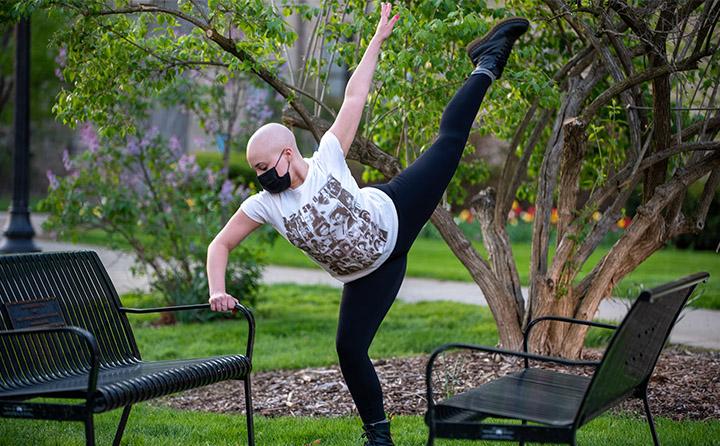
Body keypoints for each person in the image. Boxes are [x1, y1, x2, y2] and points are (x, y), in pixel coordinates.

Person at [206, 3, 529, 444]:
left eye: (263, 165)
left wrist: (376, 41)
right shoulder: (265, 205)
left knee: (450, 142)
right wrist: (217, 289)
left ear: (286, 155)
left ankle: (487, 61)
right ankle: (378, 435)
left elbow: (354, 97)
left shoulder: (327, 157)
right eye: (255, 170)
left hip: (397, 211)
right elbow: (219, 245)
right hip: (369, 275)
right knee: (349, 349)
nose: (261, 176)